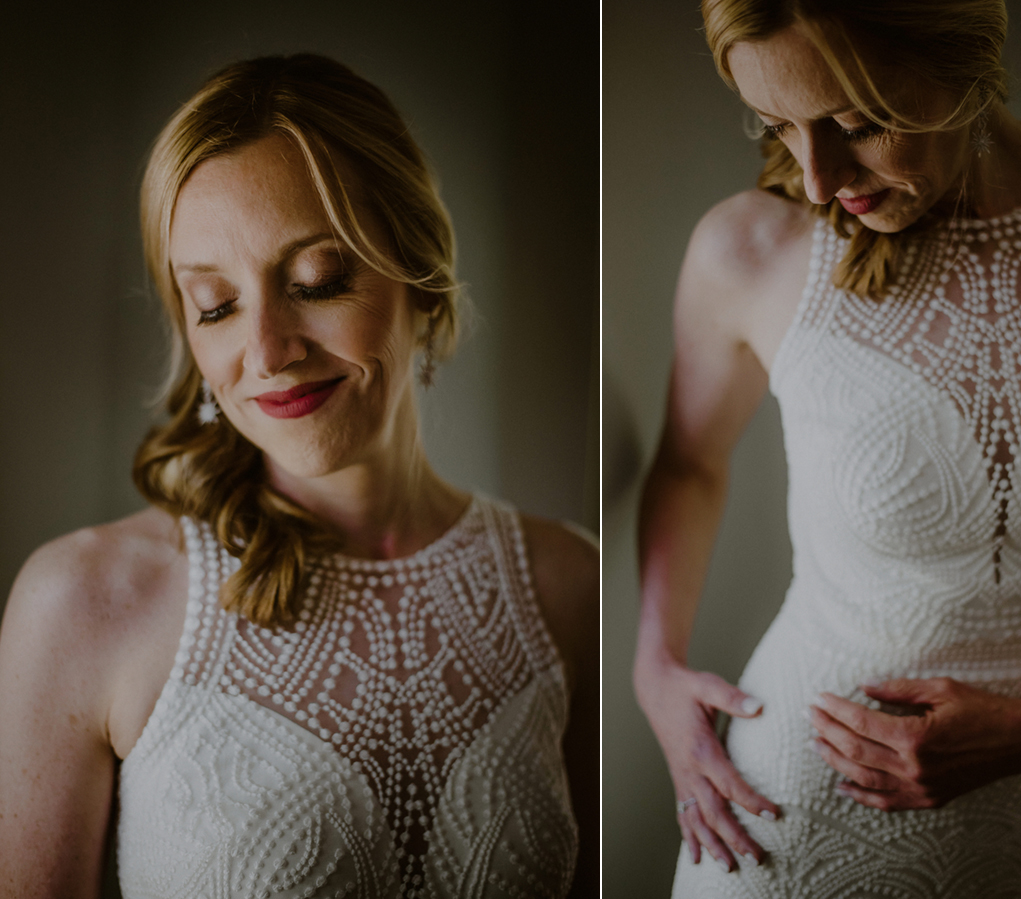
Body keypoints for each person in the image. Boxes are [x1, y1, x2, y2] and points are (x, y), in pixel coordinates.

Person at [633, 0, 1021, 895]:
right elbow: (689, 463)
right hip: (788, 822)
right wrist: (653, 665)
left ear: (966, 62)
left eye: (858, 125)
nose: (818, 180)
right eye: (779, 126)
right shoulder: (750, 248)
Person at [0, 54, 598, 898]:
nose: (269, 351)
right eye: (215, 304)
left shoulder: (568, 589)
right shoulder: (83, 604)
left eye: (319, 280)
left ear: (417, 273)